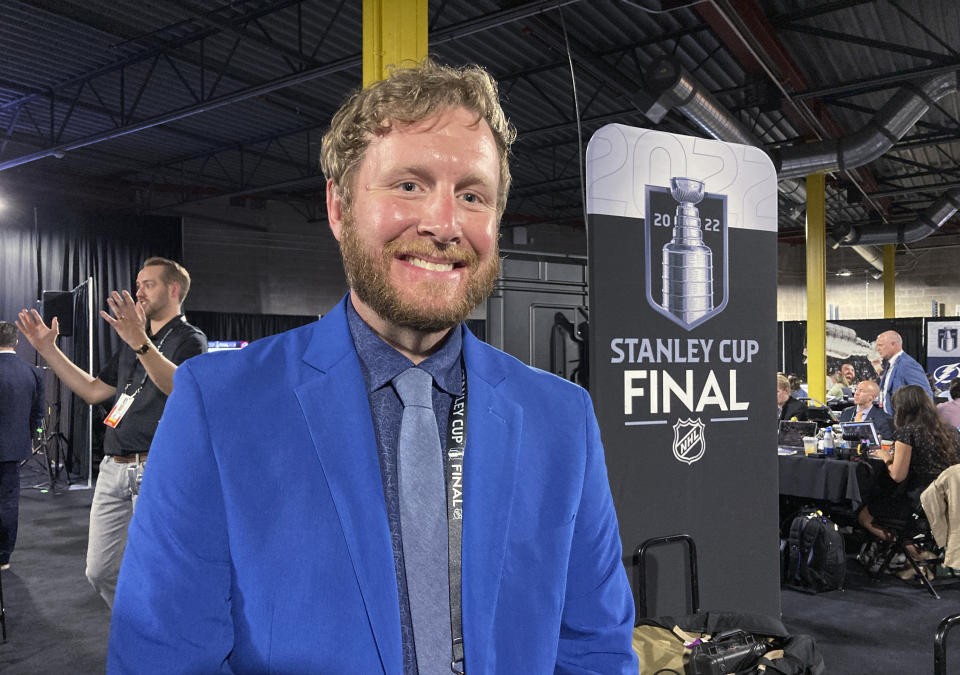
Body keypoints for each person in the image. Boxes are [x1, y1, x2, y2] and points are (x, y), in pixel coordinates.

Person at [107, 60, 637, 673]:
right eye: (409, 185)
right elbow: (163, 657)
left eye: (472, 195)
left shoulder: (560, 417)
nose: (443, 223)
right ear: (338, 207)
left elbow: (593, 647)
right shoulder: (219, 404)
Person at [16, 258, 206, 608]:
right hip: (113, 468)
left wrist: (139, 341)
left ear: (174, 289)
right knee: (100, 571)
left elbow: (179, 387)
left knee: (160, 568)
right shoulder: (134, 343)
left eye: (148, 284)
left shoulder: (189, 339)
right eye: (138, 284)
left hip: (155, 469)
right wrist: (48, 349)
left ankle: (162, 640)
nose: (138, 291)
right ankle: (139, 626)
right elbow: (91, 391)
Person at [858, 385, 960, 574]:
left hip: (918, 506)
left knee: (864, 514)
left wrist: (886, 457)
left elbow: (897, 475)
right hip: (947, 505)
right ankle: (916, 552)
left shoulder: (908, 432)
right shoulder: (952, 432)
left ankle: (912, 553)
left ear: (902, 408)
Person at [0, 322, 45, 570]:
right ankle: (3, 558)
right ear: (16, 341)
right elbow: (37, 416)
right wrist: (28, 437)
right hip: (13, 448)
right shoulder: (34, 373)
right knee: (7, 502)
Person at [875, 330, 932, 417]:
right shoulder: (891, 364)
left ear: (893, 344)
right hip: (891, 421)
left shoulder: (907, 364)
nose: (877, 349)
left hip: (904, 422)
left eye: (880, 345)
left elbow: (924, 395)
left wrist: (915, 423)